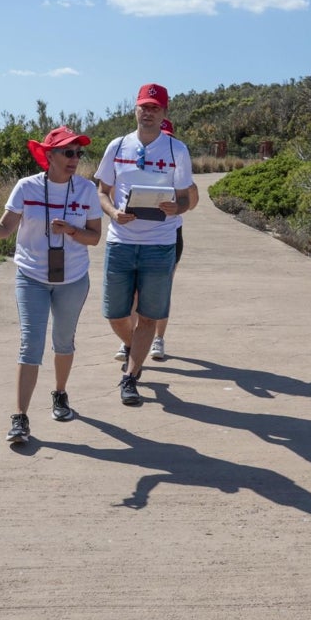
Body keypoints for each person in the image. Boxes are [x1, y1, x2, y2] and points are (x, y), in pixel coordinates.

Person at [0, 126, 102, 444]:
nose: (75, 159)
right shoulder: (26, 187)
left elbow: (95, 237)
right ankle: (20, 418)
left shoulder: (86, 190)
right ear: (49, 155)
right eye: (68, 152)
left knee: (63, 340)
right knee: (30, 343)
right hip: (31, 276)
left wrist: (72, 231)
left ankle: (59, 393)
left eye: (78, 153)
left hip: (72, 278)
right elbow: (4, 230)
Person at [95, 83, 195, 406]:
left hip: (159, 243)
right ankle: (131, 344)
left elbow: (186, 197)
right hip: (121, 241)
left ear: (164, 112)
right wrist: (113, 212)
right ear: (135, 109)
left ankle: (131, 376)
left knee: (149, 316)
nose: (148, 112)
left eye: (155, 108)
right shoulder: (117, 146)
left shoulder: (176, 150)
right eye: (144, 106)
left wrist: (175, 209)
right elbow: (102, 191)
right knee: (115, 314)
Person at [115, 117, 199, 363]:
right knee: (133, 294)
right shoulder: (138, 163)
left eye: (169, 137)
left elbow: (191, 203)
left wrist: (184, 200)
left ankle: (158, 339)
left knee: (160, 293)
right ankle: (128, 340)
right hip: (133, 235)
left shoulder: (178, 164)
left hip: (168, 236)